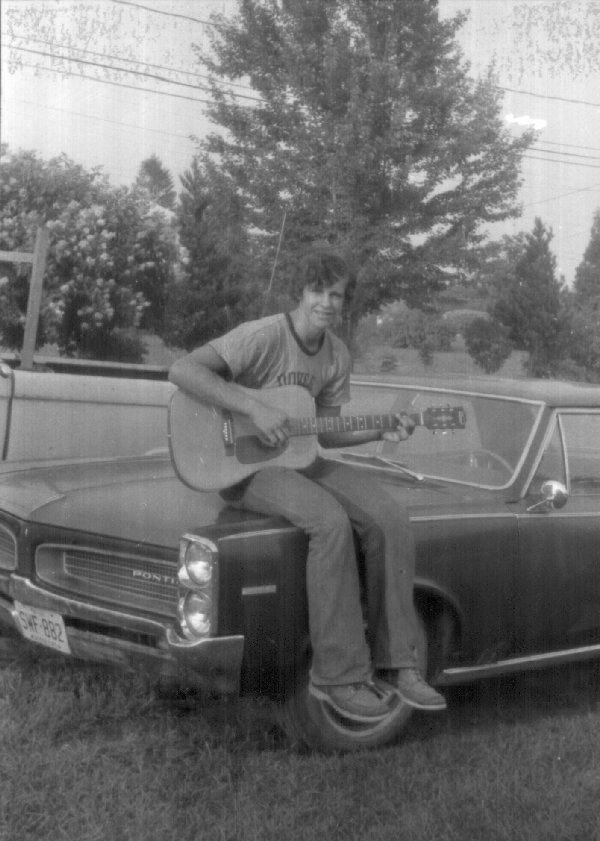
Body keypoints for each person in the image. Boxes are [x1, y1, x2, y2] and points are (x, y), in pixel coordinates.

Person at [169, 244, 446, 722]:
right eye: (318, 291)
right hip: (240, 466)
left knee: (389, 517)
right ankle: (336, 678)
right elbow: (182, 370)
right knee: (329, 521)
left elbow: (327, 431)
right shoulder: (262, 336)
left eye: (337, 295)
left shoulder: (336, 354)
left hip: (300, 457)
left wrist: (382, 428)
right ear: (301, 291)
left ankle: (398, 663)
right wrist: (253, 406)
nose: (327, 303)